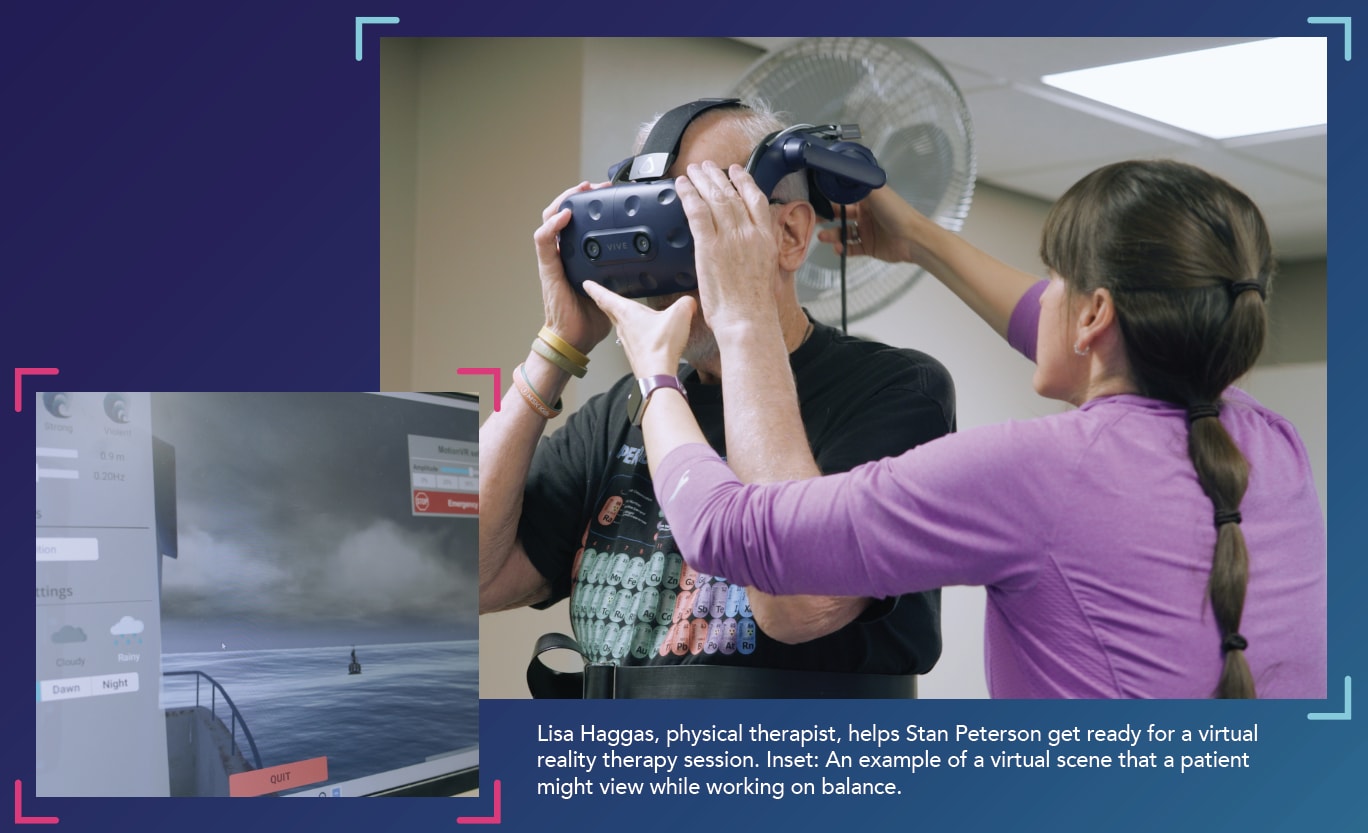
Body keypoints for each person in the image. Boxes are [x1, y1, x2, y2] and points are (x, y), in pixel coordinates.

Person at [586, 158, 1327, 699]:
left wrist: (660, 369)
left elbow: (743, 535)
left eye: (1056, 278)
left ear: (1097, 314)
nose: (1046, 297)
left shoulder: (1036, 468)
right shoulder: (1271, 445)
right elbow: (1063, 322)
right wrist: (915, 239)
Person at [478, 99, 956, 698]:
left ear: (790, 233)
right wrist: (557, 348)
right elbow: (468, 576)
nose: (674, 247)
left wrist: (740, 315)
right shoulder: (618, 412)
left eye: (704, 212)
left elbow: (795, 600)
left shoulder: (894, 391)